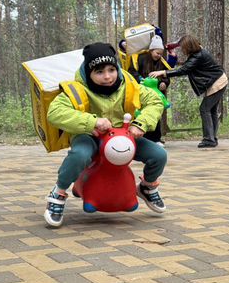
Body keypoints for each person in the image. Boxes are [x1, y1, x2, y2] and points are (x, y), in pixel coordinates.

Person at [44, 42, 167, 228]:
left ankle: (147, 187)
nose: (107, 76)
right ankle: (58, 192)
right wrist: (91, 122)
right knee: (80, 155)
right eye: (99, 72)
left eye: (111, 69)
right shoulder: (76, 89)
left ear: (117, 67)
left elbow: (155, 101)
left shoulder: (129, 86)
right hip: (89, 135)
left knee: (159, 155)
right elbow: (55, 112)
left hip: (124, 136)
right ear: (88, 72)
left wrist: (141, 124)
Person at [149, 35, 227, 148]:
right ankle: (212, 138)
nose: (182, 50)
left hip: (217, 82)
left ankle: (209, 139)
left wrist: (163, 72)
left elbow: (184, 70)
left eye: (183, 47)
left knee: (205, 109)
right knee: (211, 110)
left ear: (189, 47)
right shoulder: (198, 51)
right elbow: (186, 64)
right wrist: (172, 51)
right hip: (218, 79)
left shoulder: (198, 56)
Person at [128, 35, 171, 145]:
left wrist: (164, 83)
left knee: (155, 114)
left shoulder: (162, 62)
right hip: (141, 92)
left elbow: (166, 76)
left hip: (156, 93)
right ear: (151, 50)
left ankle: (156, 139)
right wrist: (140, 80)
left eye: (161, 53)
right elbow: (132, 71)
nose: (159, 55)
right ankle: (143, 138)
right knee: (140, 114)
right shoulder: (139, 58)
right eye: (157, 53)